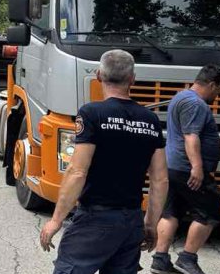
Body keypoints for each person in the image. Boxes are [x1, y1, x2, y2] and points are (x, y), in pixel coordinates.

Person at [40, 49, 169, 274]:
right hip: (130, 220)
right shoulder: (150, 120)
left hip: (96, 219)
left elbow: (77, 171)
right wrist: (150, 224)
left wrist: (56, 220)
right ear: (132, 79)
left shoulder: (92, 113)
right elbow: (160, 179)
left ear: (99, 75)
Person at [151, 65, 220, 274]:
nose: (218, 94)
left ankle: (160, 260)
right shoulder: (196, 104)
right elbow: (191, 136)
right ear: (212, 84)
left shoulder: (180, 96)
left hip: (172, 166)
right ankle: (187, 259)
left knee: (171, 212)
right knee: (208, 211)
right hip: (186, 169)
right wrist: (197, 167)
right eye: (219, 89)